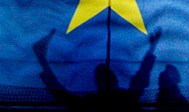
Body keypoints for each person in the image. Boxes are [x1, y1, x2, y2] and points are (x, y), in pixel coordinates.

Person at [33, 27, 161, 111]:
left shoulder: (92, 102)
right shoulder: (124, 98)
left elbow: (62, 95)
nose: (110, 77)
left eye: (106, 74)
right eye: (106, 75)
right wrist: (152, 47)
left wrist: (41, 59)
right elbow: (141, 77)